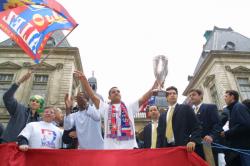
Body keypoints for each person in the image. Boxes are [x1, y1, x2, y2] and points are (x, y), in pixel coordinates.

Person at [73, 70, 158, 149]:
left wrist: (154, 86)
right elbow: (93, 96)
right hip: (111, 150)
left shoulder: (129, 106)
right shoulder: (105, 108)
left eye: (118, 91)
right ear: (109, 97)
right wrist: (84, 80)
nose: (116, 92)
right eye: (113, 92)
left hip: (129, 148)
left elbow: (144, 98)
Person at [2, 72, 44, 143]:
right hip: (10, 143)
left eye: (37, 102)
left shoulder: (39, 120)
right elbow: (7, 97)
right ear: (29, 102)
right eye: (32, 100)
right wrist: (20, 81)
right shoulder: (19, 109)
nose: (34, 102)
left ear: (40, 106)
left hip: (27, 147)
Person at [157, 86, 201, 152]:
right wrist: (158, 150)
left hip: (184, 147)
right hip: (167, 149)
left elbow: (197, 127)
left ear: (177, 96)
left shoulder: (186, 108)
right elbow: (160, 135)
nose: (172, 95)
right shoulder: (162, 116)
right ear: (166, 97)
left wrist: (193, 141)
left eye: (174, 93)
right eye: (169, 94)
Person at [188, 89, 222, 165]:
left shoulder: (210, 107)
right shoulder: (190, 111)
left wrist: (211, 136)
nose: (191, 97)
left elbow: (218, 124)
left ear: (200, 96)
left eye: (193, 95)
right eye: (190, 96)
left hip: (207, 144)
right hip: (194, 146)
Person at [220, 90, 250, 166]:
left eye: (226, 96)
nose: (224, 98)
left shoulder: (238, 107)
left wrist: (227, 133)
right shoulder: (233, 108)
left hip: (244, 148)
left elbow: (245, 124)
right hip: (240, 148)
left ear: (232, 97)